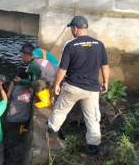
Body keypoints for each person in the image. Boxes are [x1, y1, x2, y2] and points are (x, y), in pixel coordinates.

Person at [47, 15, 110, 156]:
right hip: (92, 90)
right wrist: (106, 82)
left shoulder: (70, 45)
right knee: (92, 119)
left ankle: (50, 131)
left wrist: (56, 84)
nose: (71, 31)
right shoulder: (99, 45)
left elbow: (62, 69)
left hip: (73, 87)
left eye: (71, 28)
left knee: (60, 111)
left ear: (75, 28)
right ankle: (93, 149)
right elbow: (105, 66)